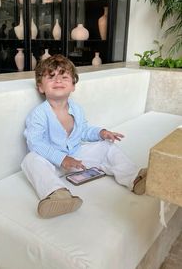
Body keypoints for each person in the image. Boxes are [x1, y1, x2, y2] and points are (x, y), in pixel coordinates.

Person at [21, 54, 147, 219]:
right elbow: (35, 143)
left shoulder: (77, 109)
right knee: (30, 160)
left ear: (73, 85)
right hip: (52, 162)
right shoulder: (39, 114)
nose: (58, 80)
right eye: (51, 77)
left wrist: (100, 133)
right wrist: (62, 159)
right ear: (41, 87)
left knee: (106, 147)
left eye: (64, 76)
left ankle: (135, 178)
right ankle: (58, 194)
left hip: (77, 157)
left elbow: (84, 130)